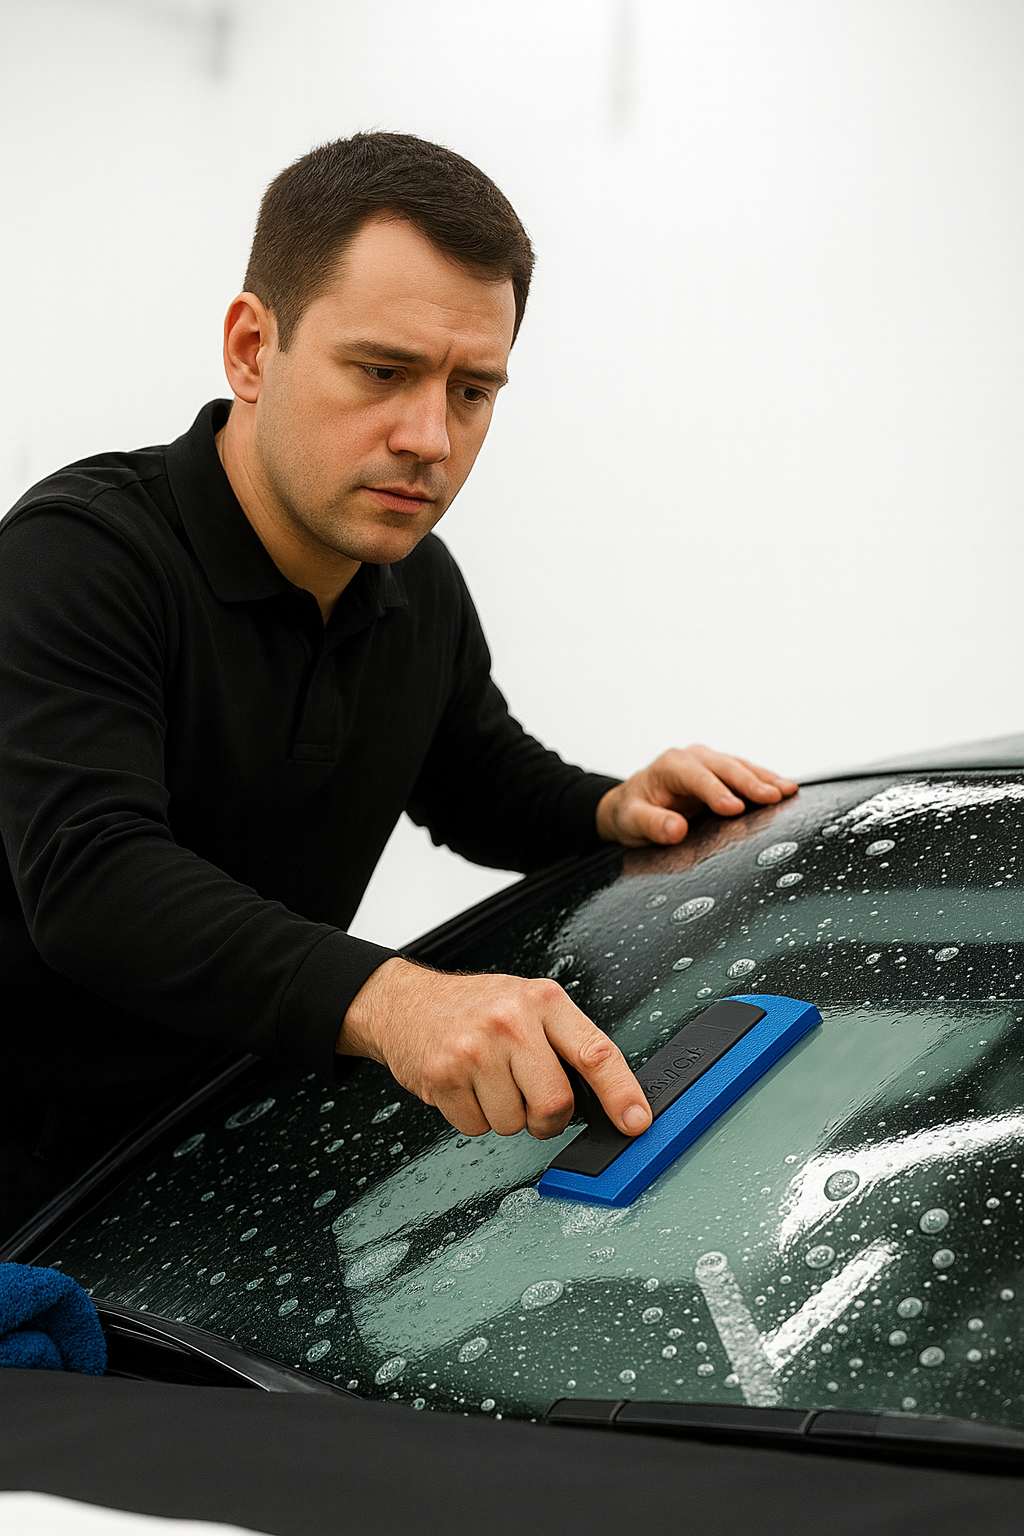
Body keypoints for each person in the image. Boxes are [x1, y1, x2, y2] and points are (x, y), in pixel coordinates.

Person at [0, 132, 796, 1241]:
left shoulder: (410, 581)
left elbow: (471, 774)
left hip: (211, 1175)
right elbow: (91, 879)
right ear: (250, 348)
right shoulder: (78, 557)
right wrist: (395, 1001)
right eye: (382, 372)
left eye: (473, 390)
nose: (429, 437)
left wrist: (608, 807)